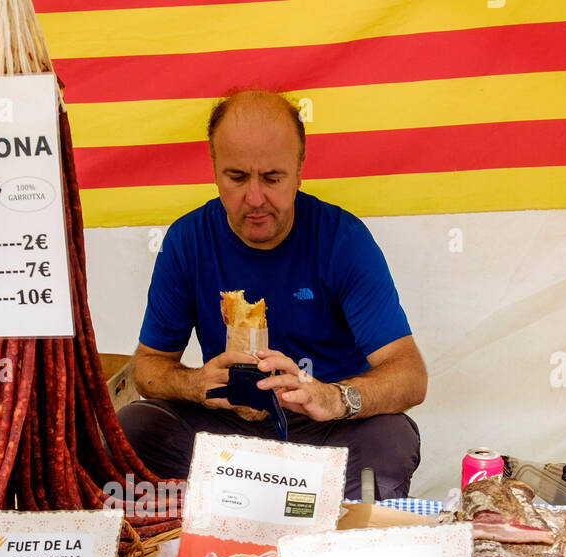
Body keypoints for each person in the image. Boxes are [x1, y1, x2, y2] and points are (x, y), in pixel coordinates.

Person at [117, 90, 427, 501]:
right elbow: (148, 368)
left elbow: (409, 375)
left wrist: (332, 397)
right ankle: (202, 525)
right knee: (134, 427)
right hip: (228, 427)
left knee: (391, 437)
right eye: (238, 177)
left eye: (273, 178)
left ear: (300, 170)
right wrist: (197, 385)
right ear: (214, 170)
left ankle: (333, 541)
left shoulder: (343, 240)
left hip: (321, 429)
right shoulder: (187, 240)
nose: (256, 199)